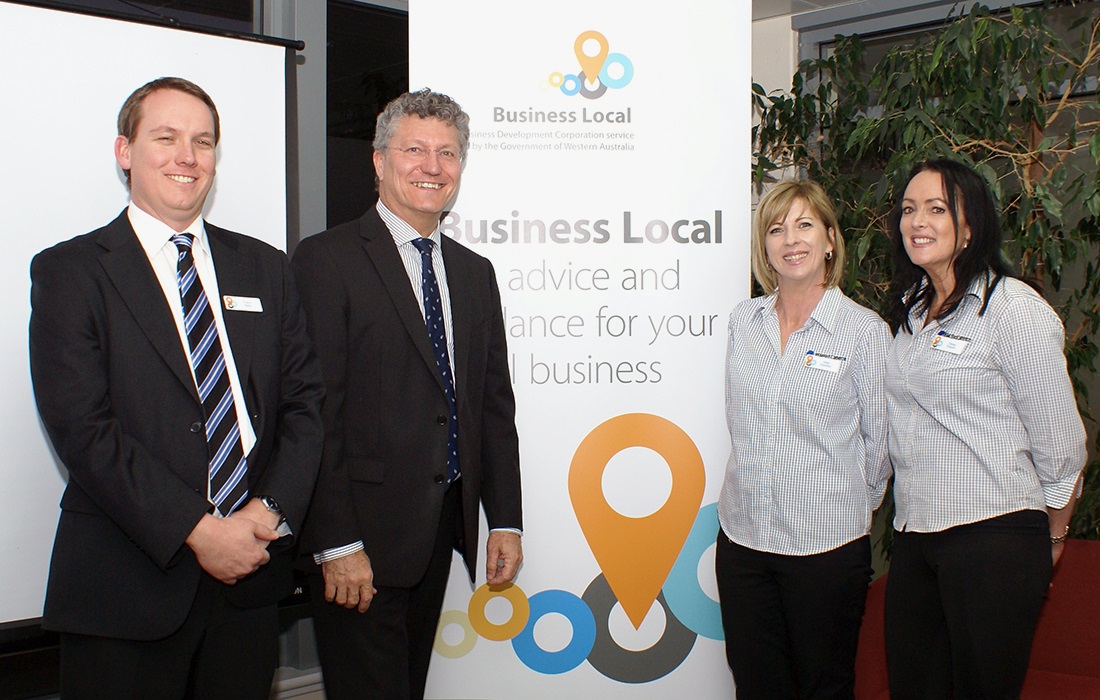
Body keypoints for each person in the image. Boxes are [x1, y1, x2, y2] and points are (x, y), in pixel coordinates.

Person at [28, 77, 325, 698]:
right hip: (126, 587)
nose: (187, 157)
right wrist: (199, 529)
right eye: (165, 138)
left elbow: (304, 406)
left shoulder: (266, 266)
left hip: (249, 579)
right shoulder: (72, 271)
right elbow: (83, 428)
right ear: (124, 151)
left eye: (203, 141)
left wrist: (265, 516)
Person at [291, 88, 523, 700]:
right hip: (357, 541)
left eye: (448, 154)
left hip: (439, 530)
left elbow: (492, 408)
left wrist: (505, 520)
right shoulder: (325, 260)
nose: (432, 166)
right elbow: (314, 416)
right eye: (414, 149)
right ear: (378, 160)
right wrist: (336, 542)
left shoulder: (475, 273)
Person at [883, 158, 1087, 699]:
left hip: (993, 537)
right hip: (914, 540)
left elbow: (1061, 443)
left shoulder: (1011, 309)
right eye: (908, 210)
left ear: (970, 225)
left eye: (935, 208)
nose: (916, 221)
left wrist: (1055, 532)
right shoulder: (908, 312)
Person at [716, 180, 891, 699]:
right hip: (744, 544)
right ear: (764, 248)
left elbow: (880, 447)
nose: (790, 239)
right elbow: (739, 420)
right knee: (756, 687)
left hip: (826, 550)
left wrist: (841, 506)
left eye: (804, 224)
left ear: (831, 240)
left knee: (824, 688)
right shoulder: (743, 322)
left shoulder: (863, 332)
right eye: (776, 228)